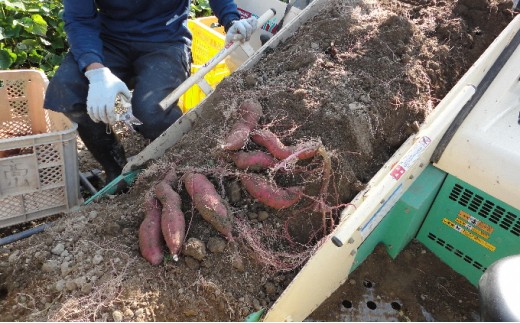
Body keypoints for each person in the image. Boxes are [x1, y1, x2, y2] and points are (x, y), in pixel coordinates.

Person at [44, 0, 257, 184]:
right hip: (109, 40)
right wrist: (96, 72)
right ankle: (114, 167)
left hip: (166, 40)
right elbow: (78, 18)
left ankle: (183, 168)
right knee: (67, 90)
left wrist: (230, 19)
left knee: (153, 113)